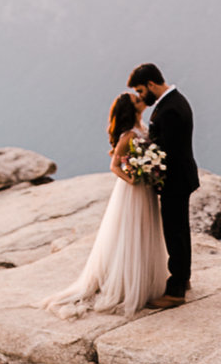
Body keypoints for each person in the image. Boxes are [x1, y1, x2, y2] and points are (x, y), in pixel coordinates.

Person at [45, 90, 168, 318]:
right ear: (131, 110)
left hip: (145, 188)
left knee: (146, 230)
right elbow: (114, 165)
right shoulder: (128, 135)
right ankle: (129, 283)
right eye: (137, 100)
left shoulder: (141, 130)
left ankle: (144, 279)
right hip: (133, 191)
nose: (141, 100)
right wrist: (133, 178)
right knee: (132, 233)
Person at [128, 63, 198, 307]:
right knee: (180, 231)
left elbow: (165, 151)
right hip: (182, 177)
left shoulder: (168, 110)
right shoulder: (176, 101)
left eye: (140, 90)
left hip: (175, 181)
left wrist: (143, 161)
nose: (140, 96)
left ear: (151, 84)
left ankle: (176, 290)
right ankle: (183, 278)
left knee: (174, 232)